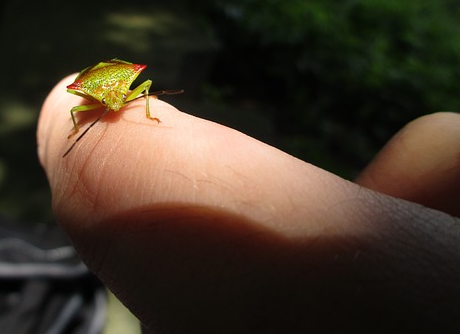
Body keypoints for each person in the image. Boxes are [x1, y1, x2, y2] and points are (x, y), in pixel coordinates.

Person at [37, 75, 460, 333]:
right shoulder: (91, 101)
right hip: (95, 82)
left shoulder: (132, 89)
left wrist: (141, 108)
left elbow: (138, 86)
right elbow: (80, 104)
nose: (116, 107)